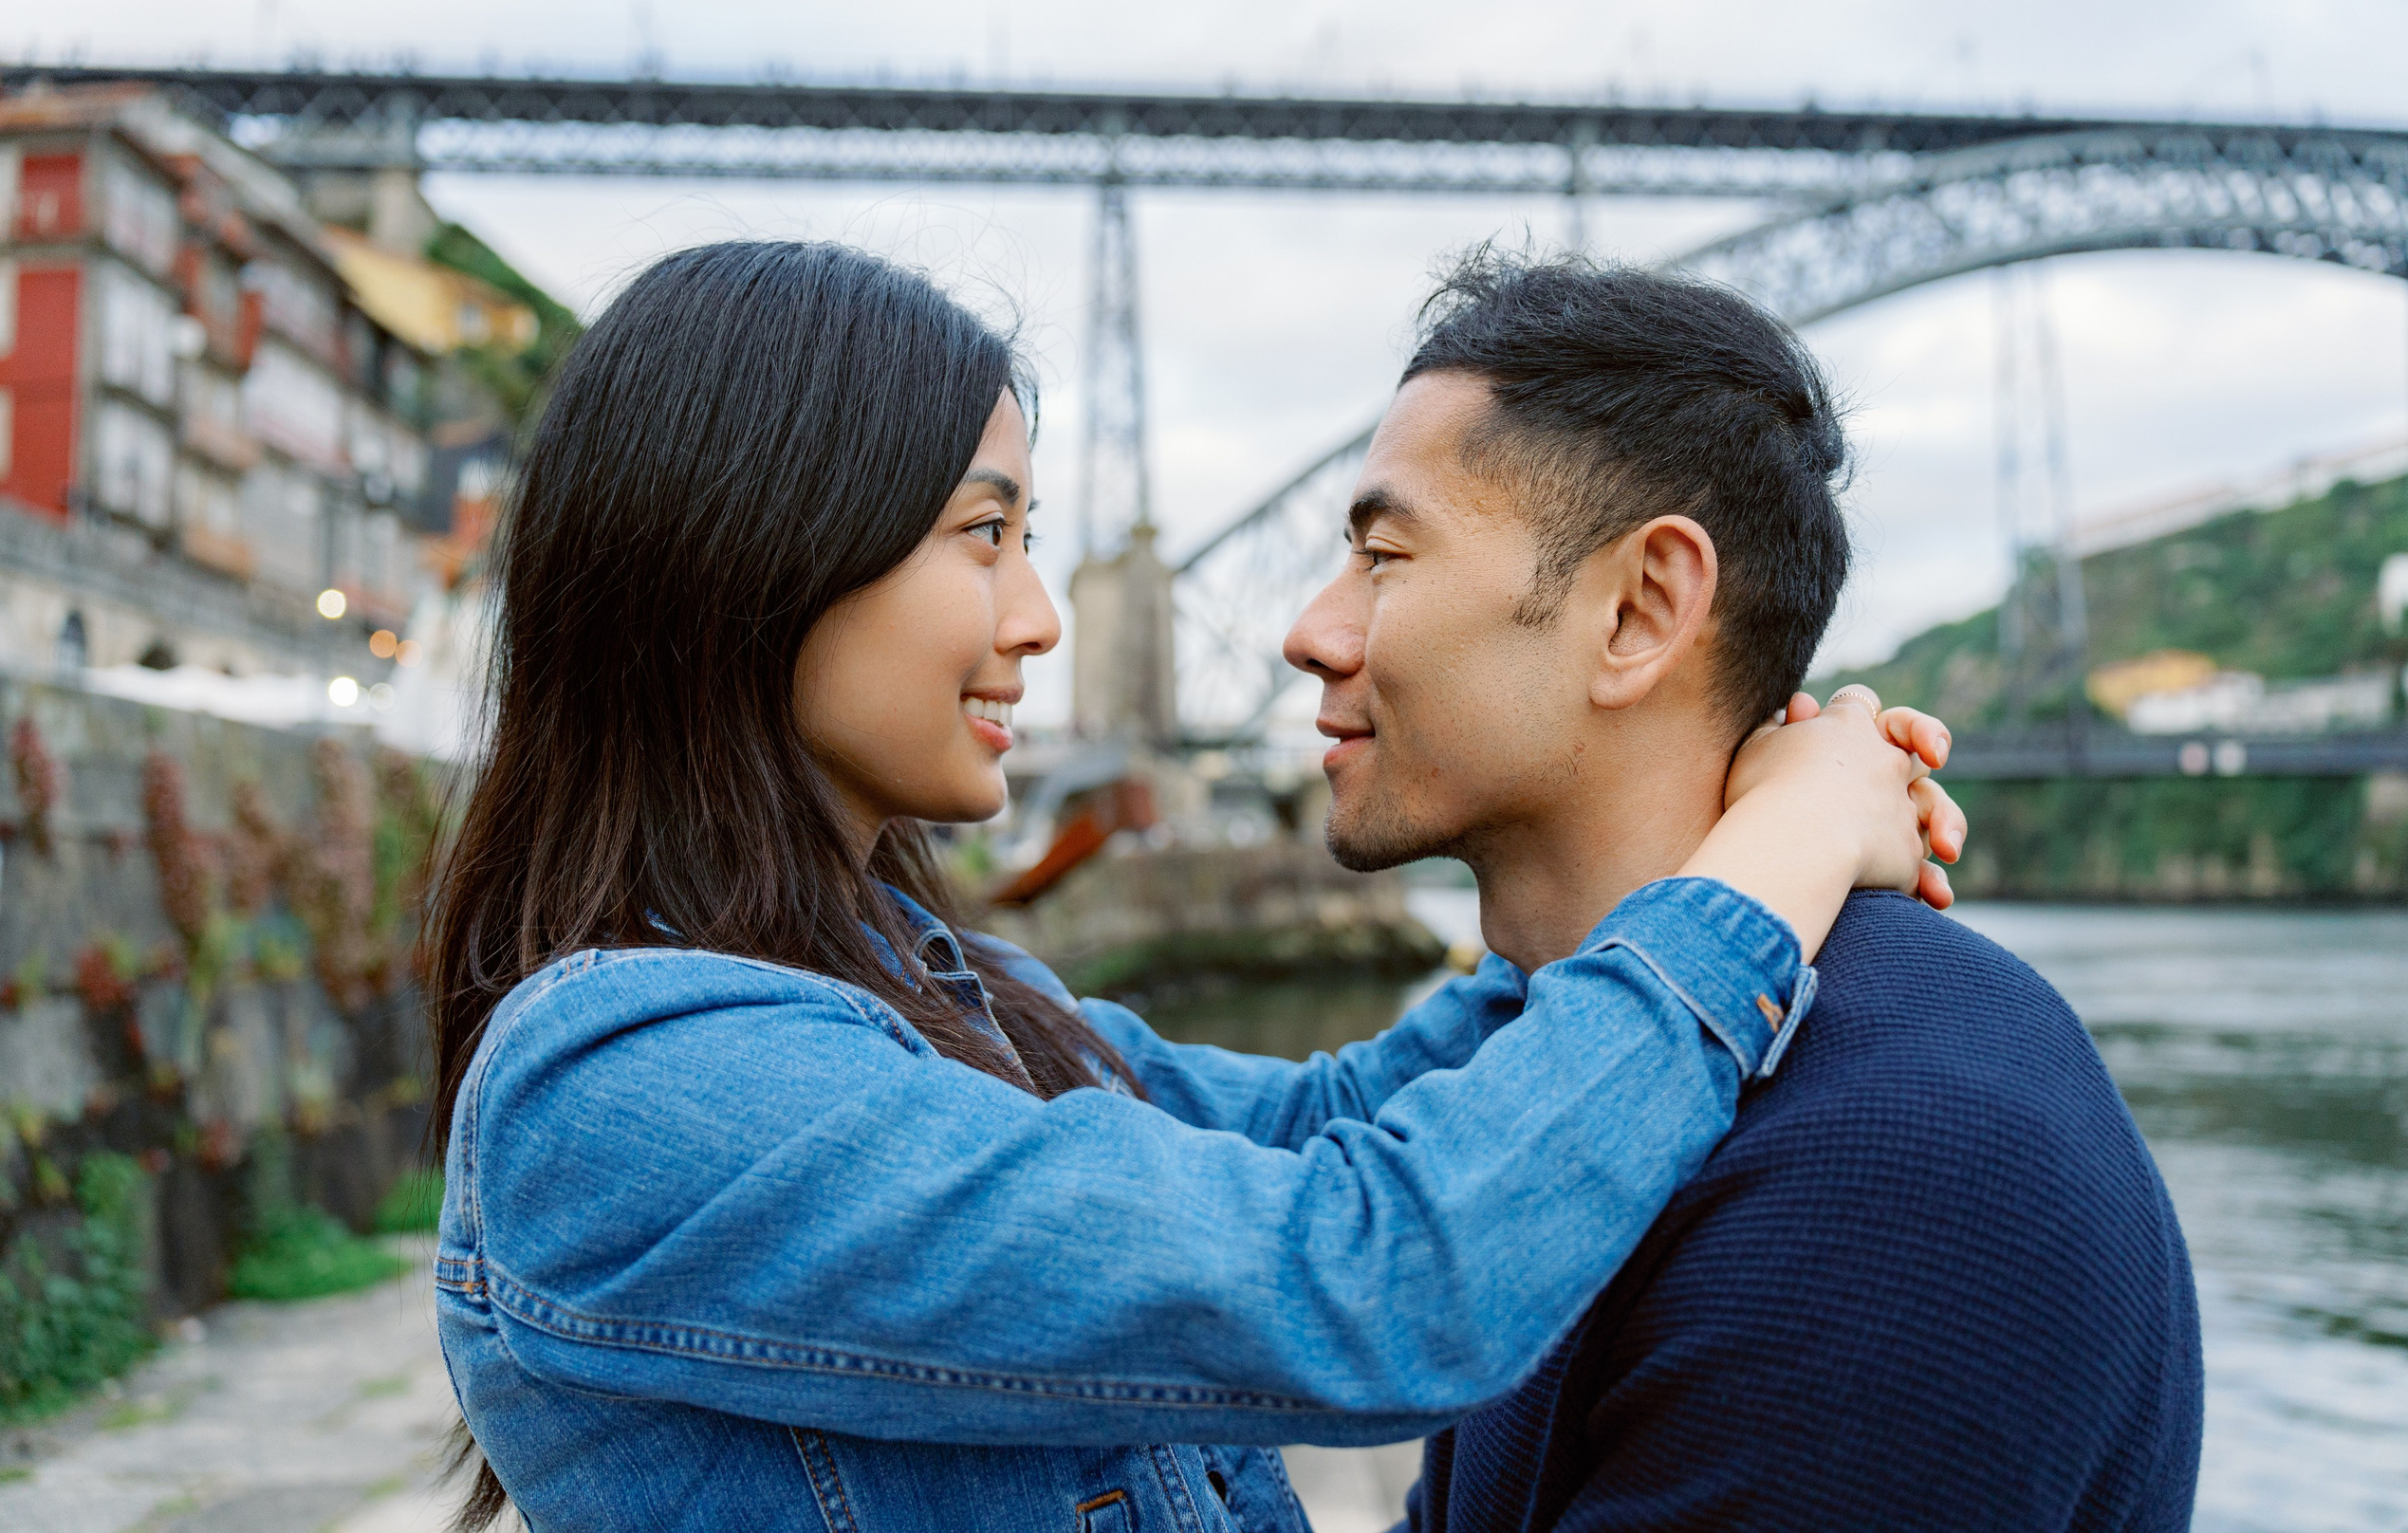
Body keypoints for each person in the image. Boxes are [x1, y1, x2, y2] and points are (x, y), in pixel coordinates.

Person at [424, 239, 1964, 1533]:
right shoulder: (625, 1091)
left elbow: (1325, 1133)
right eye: (985, 535)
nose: (1038, 618)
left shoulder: (929, 987)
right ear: (749, 545)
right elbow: (1371, 1280)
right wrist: (1774, 865)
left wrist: (1658, 851)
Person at [1274, 250, 2203, 1533]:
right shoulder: (1559, 1091)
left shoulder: (1902, 1178)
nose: (1312, 629)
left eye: (1384, 556)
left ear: (1642, 608)